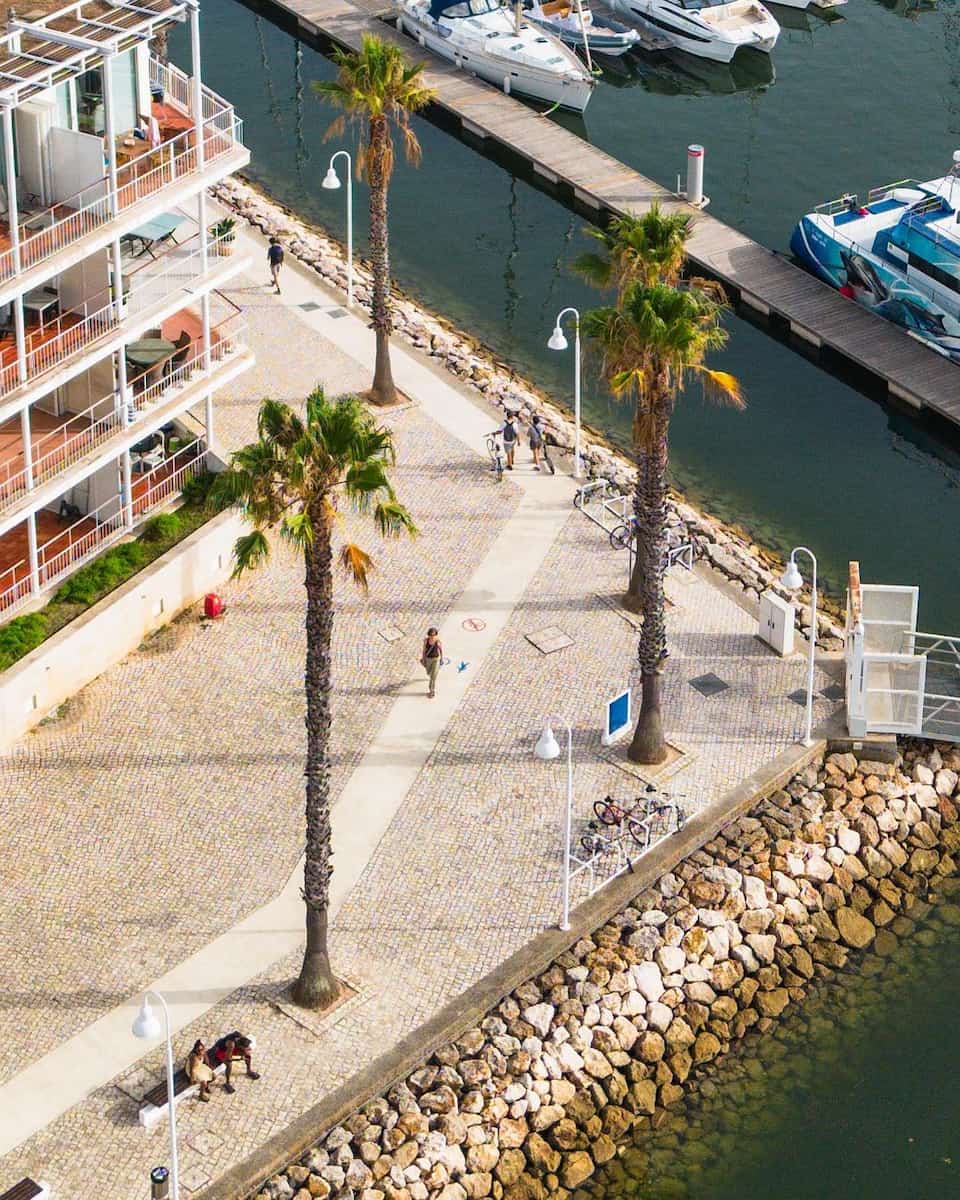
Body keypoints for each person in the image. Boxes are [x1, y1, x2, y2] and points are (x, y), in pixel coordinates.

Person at [421, 627, 443, 699]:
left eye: (434, 635)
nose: (432, 636)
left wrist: (441, 659)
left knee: (433, 677)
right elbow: (424, 650)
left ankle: (432, 690)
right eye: (431, 635)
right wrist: (423, 659)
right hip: (428, 659)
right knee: (428, 672)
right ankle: (430, 674)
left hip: (436, 659)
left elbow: (441, 650)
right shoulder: (426, 641)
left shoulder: (438, 641)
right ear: (429, 635)